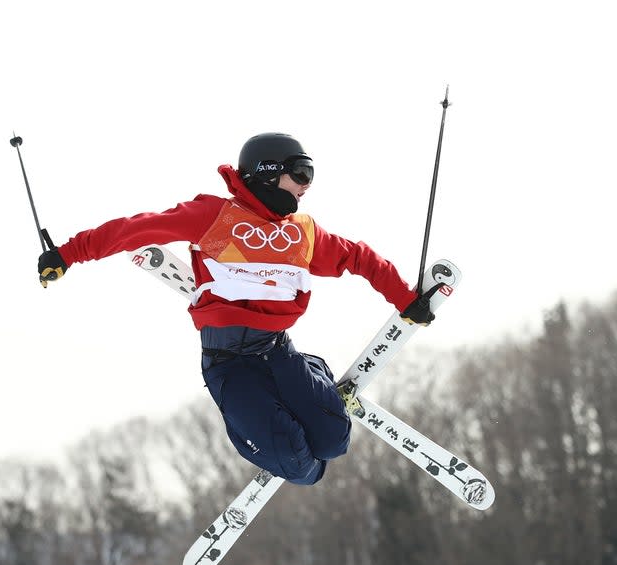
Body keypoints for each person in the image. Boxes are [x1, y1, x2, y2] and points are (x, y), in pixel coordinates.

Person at [37, 133, 435, 485]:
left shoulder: (302, 233)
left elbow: (360, 258)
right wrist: (68, 254)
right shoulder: (214, 217)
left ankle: (314, 385)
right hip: (229, 364)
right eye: (301, 173)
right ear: (267, 172)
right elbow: (135, 229)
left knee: (334, 442)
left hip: (279, 352)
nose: (305, 186)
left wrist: (405, 299)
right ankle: (282, 448)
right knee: (302, 467)